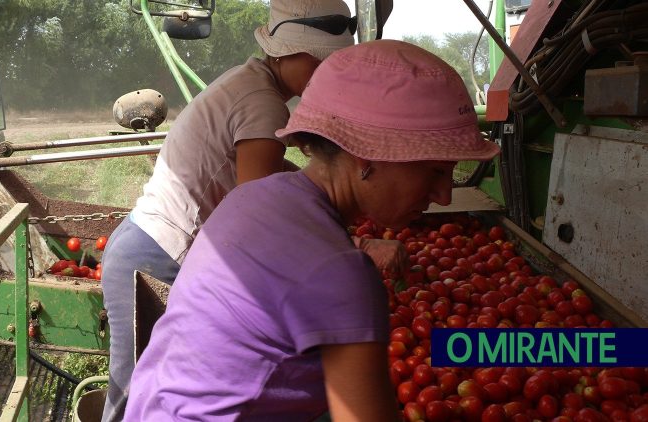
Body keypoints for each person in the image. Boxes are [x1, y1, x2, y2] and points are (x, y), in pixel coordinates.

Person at [124, 40, 500, 421]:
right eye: (435, 171)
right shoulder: (341, 271)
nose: (445, 194)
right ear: (367, 154)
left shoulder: (251, 199)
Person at [100, 0, 355, 420]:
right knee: (135, 397)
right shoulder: (262, 102)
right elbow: (261, 210)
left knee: (149, 388)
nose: (324, 76)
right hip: (157, 255)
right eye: (318, 64)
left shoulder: (248, 83)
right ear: (287, 53)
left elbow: (269, 175)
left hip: (146, 243)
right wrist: (342, 247)